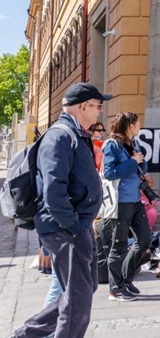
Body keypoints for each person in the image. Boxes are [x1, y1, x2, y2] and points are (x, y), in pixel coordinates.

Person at [10, 82, 111, 338]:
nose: (100, 111)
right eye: (98, 105)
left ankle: (27, 334)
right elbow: (54, 190)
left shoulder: (75, 135)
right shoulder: (61, 136)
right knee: (78, 302)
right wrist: (74, 226)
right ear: (83, 106)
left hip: (75, 226)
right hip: (65, 227)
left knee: (81, 290)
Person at [102, 112, 151, 302]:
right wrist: (132, 162)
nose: (140, 127)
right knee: (119, 245)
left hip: (135, 200)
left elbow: (141, 167)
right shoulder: (111, 145)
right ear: (130, 126)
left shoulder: (133, 143)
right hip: (120, 202)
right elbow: (109, 173)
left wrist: (140, 162)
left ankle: (126, 279)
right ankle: (115, 290)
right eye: (138, 124)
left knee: (145, 240)